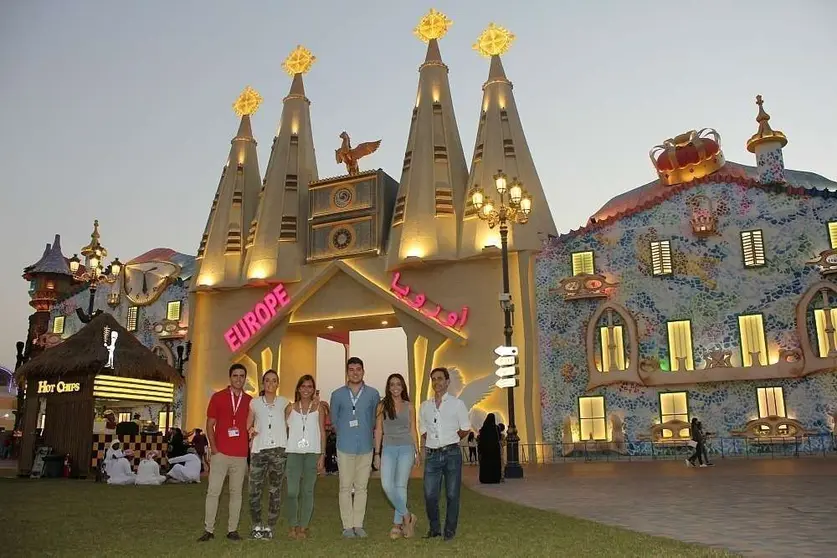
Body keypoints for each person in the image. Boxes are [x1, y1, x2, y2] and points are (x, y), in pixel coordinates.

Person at [198, 363, 252, 542]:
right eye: (235, 376)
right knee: (213, 492)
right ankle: (209, 530)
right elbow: (209, 424)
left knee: (236, 493)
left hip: (240, 454)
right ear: (230, 378)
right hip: (220, 453)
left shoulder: (250, 401)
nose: (238, 379)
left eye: (242, 376)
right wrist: (213, 448)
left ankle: (232, 530)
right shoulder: (218, 397)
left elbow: (252, 426)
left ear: (245, 378)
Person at [329, 357, 380, 538]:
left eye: (358, 369)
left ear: (363, 371)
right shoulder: (337, 395)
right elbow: (334, 421)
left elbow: (374, 420)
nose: (355, 372)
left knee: (361, 488)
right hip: (345, 446)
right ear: (347, 372)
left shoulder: (373, 394)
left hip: (366, 446)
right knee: (345, 487)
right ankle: (347, 526)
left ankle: (358, 524)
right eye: (351, 369)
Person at [419, 367, 471, 541]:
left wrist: (450, 439)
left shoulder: (457, 404)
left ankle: (449, 530)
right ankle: (434, 529)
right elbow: (423, 429)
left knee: (452, 494)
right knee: (430, 494)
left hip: (452, 454)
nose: (436, 382)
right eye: (433, 379)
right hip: (432, 455)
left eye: (440, 378)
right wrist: (434, 441)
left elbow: (465, 428)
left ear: (447, 382)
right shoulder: (425, 406)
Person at [374, 373, 420, 539]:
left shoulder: (410, 406)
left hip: (406, 447)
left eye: (398, 384)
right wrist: (377, 453)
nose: (395, 387)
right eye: (392, 384)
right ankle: (408, 516)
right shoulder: (382, 406)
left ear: (403, 387)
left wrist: (417, 451)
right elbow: (378, 430)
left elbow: (412, 429)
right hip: (388, 448)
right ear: (388, 387)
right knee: (387, 485)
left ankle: (397, 525)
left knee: (401, 486)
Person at [246, 369, 290, 541]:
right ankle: (257, 524)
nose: (271, 383)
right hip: (259, 450)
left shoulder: (284, 402)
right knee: (254, 491)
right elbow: (247, 423)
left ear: (278, 383)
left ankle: (270, 526)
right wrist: (250, 431)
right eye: (267, 380)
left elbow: (292, 420)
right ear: (263, 383)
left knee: (275, 490)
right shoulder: (255, 403)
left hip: (279, 450)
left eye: (274, 380)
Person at [285, 374, 326, 540]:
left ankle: (303, 527)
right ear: (298, 389)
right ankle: (292, 525)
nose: (306, 390)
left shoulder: (318, 409)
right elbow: (284, 431)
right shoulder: (290, 408)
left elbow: (322, 432)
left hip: (312, 453)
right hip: (293, 453)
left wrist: (322, 455)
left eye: (310, 387)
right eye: (303, 386)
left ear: (313, 390)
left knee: (307, 491)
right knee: (292, 491)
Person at [478, 414, 502, 484]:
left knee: (486, 464)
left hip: (486, 451)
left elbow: (481, 440)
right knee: (494, 464)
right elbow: (499, 437)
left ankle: (485, 478)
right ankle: (495, 478)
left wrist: (480, 449)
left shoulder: (484, 428)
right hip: (495, 450)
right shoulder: (496, 428)